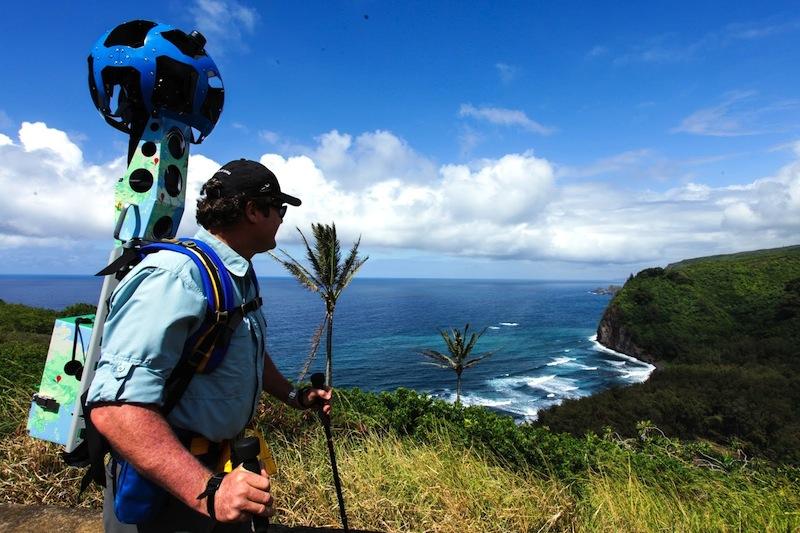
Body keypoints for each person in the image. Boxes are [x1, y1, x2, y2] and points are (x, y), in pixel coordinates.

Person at [87, 159, 331, 532]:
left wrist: (295, 397)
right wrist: (207, 490)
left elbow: (245, 348)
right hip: (167, 486)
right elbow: (117, 408)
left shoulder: (236, 275)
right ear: (252, 210)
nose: (282, 219)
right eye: (278, 209)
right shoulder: (175, 276)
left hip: (219, 471)